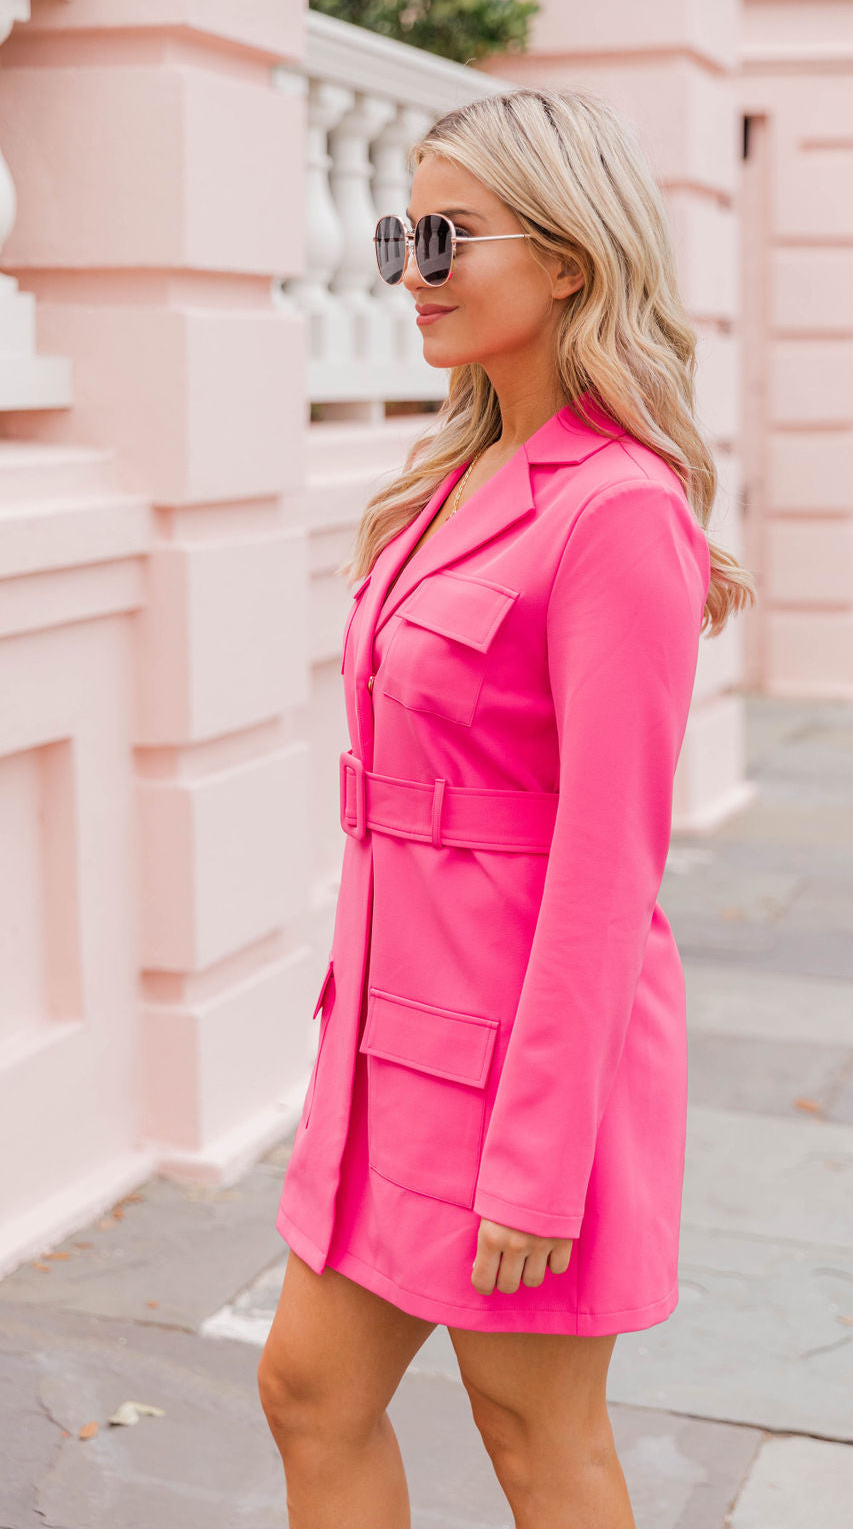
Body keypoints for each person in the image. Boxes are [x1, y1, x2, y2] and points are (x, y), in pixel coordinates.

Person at [258, 85, 755, 1529]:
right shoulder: (454, 478)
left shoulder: (620, 512)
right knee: (309, 1393)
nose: (410, 267)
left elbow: (609, 866)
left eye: (447, 235)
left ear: (569, 261)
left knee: (537, 1441)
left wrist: (539, 1159)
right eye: (401, 231)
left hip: (523, 1074)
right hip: (386, 1046)